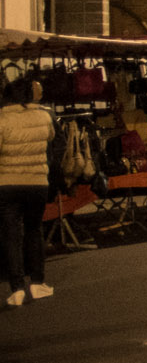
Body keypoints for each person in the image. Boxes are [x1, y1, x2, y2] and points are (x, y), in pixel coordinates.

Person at [0, 78, 53, 306]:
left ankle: (17, 288)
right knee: (34, 230)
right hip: (37, 183)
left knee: (11, 235)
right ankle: (38, 283)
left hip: (7, 184)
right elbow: (50, 138)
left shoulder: (2, 119)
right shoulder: (44, 115)